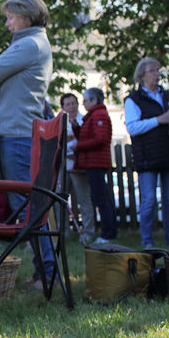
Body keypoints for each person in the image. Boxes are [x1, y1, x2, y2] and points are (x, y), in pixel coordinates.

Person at [0, 0, 57, 286]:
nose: (8, 23)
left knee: (27, 205)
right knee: (27, 204)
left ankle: (47, 273)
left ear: (26, 16)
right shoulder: (31, 44)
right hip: (16, 132)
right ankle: (44, 271)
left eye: (11, 17)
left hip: (17, 134)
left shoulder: (29, 45)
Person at [124, 58, 169, 249]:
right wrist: (159, 120)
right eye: (153, 71)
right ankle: (147, 242)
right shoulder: (133, 99)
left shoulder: (166, 96)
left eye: (158, 70)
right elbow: (132, 128)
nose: (157, 74)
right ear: (141, 75)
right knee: (149, 200)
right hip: (147, 156)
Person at [76, 88, 118, 243]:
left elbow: (100, 139)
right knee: (103, 197)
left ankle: (107, 233)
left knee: (101, 198)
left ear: (94, 100)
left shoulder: (99, 115)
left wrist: (78, 146)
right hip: (93, 161)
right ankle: (110, 231)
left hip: (96, 161)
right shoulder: (94, 115)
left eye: (85, 100)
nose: (83, 103)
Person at [60, 93, 94, 244]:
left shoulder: (84, 120)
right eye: (68, 104)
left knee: (84, 199)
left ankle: (88, 232)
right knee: (59, 199)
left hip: (78, 165)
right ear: (63, 107)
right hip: (62, 165)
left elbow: (84, 140)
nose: (71, 106)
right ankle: (63, 231)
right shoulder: (59, 122)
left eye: (73, 103)